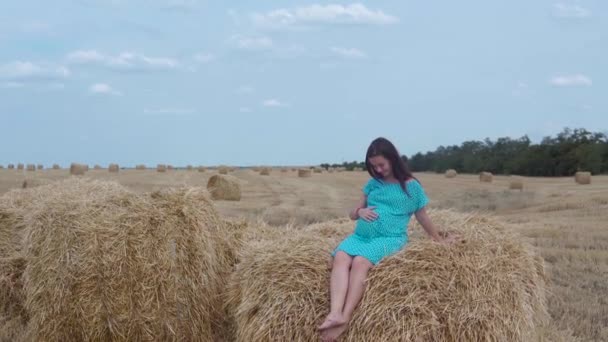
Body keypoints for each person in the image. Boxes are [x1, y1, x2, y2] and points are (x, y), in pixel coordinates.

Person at [318, 137, 455, 342]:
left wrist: (437, 239)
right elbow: (352, 214)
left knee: (360, 262)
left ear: (393, 159)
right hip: (361, 236)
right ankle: (335, 312)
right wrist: (360, 211)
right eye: (374, 167)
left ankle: (345, 318)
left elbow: (422, 215)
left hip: (390, 238)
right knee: (340, 257)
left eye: (381, 165)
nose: (379, 170)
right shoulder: (373, 184)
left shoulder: (411, 187)